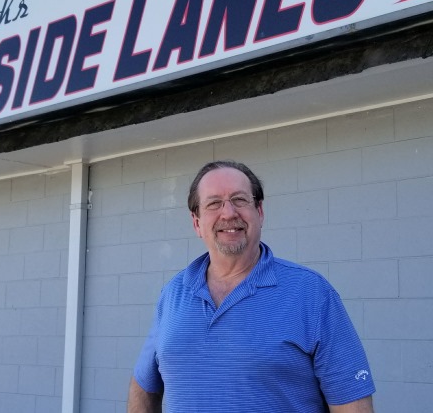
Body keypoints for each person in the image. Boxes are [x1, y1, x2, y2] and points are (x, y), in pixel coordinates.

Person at [127, 160, 375, 412]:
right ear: (196, 222)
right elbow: (144, 386)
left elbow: (353, 405)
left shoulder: (311, 294)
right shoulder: (172, 295)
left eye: (240, 200)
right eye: (214, 203)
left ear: (260, 212)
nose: (228, 213)